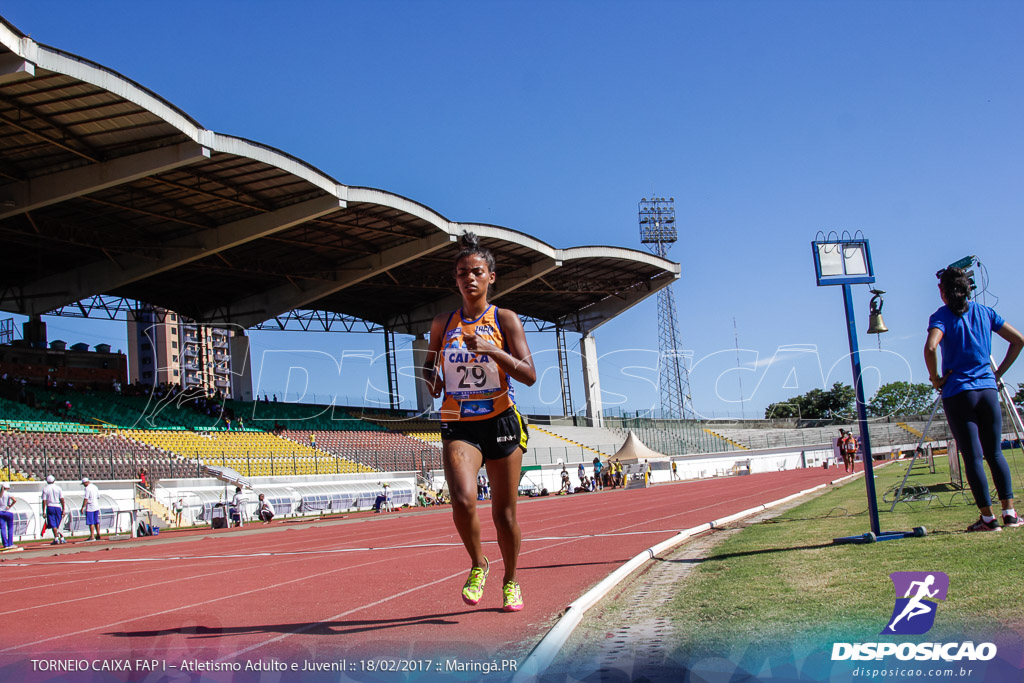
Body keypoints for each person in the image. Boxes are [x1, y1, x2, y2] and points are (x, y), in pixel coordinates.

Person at [423, 232, 536, 613]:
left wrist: (491, 349)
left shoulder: (504, 319)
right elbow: (428, 365)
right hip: (459, 420)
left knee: (504, 515)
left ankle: (511, 579)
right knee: (462, 498)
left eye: (477, 271)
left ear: (491, 277)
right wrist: (433, 381)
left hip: (502, 419)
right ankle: (478, 563)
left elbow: (529, 374)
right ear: (455, 280)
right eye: (461, 273)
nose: (469, 278)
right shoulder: (443, 322)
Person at [926, 266, 1024, 532]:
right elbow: (1018, 340)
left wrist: (935, 378)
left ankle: (988, 519)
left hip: (958, 393)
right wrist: (998, 373)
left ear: (942, 291)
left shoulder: (941, 316)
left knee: (972, 456)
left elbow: (932, 346)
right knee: (995, 452)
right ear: (968, 289)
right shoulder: (985, 312)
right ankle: (1010, 514)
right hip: (987, 391)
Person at [41, 475, 67, 545]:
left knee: (53, 523)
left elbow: (44, 500)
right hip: (57, 506)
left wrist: (43, 511)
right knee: (59, 522)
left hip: (50, 506)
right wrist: (63, 508)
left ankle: (56, 538)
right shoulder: (58, 488)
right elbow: (62, 499)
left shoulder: (45, 489)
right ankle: (62, 538)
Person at [80, 476, 101, 542]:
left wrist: (83, 507)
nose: (83, 485)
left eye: (83, 484)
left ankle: (92, 536)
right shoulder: (95, 487)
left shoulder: (87, 488)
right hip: (96, 505)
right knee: (96, 521)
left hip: (90, 506)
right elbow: (98, 496)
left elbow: (86, 498)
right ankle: (98, 533)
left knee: (90, 522)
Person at [0, 482, 17, 550]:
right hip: (8, 512)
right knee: (10, 528)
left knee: (2, 528)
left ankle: (5, 544)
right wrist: (9, 506)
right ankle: (10, 543)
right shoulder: (9, 494)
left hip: (0, 512)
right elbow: (15, 500)